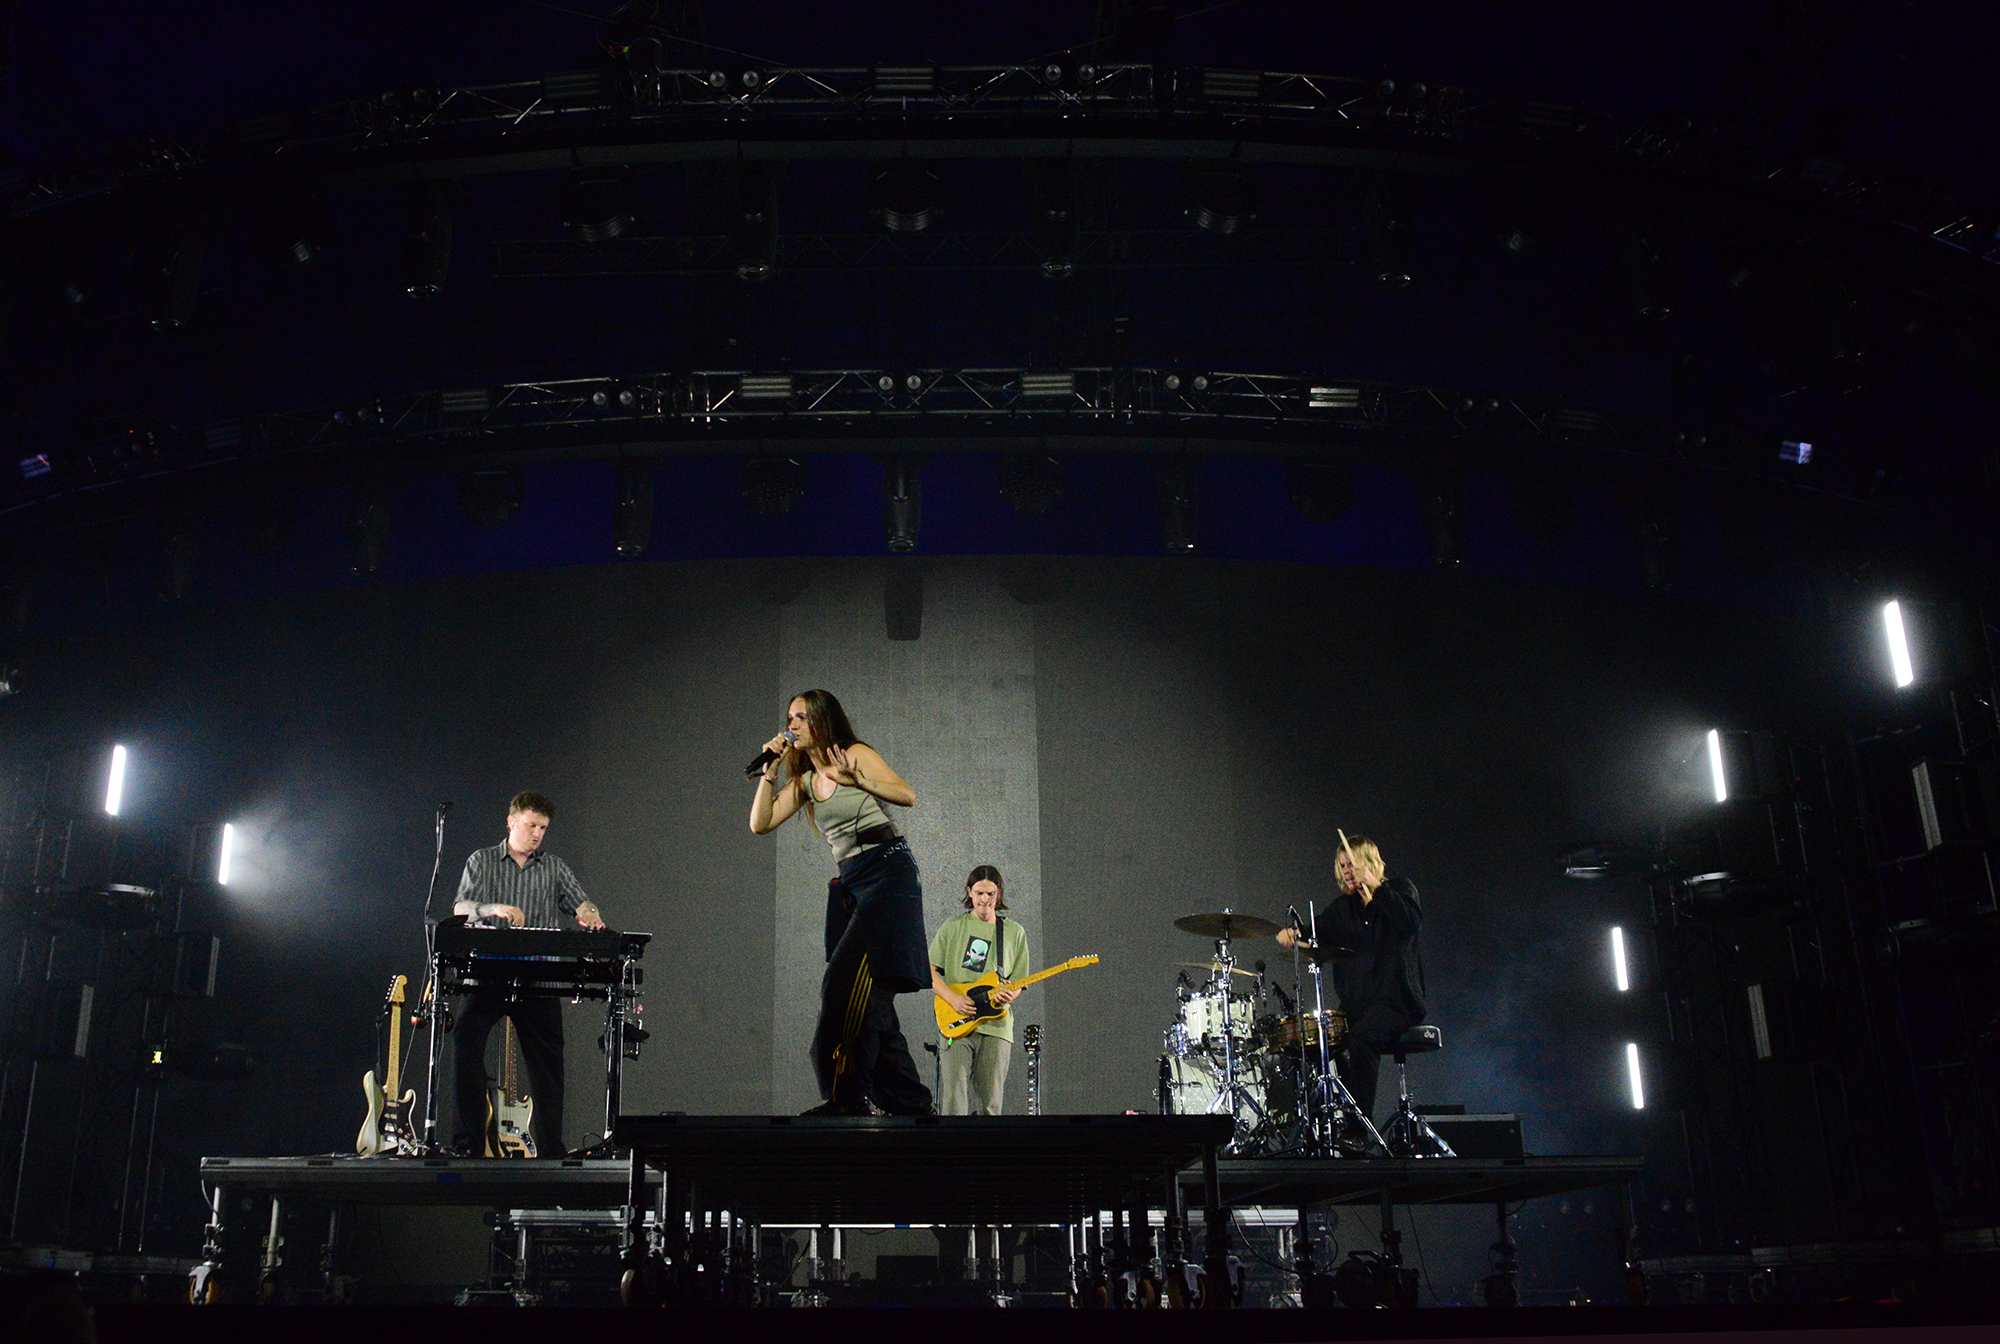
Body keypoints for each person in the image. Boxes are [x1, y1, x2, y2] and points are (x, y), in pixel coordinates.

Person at [749, 690, 933, 1116]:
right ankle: (913, 1106)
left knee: (842, 984)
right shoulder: (805, 782)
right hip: (854, 882)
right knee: (872, 1000)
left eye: (800, 717)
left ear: (821, 720)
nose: (791, 725)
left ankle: (846, 1099)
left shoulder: (855, 754)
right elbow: (760, 824)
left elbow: (907, 795)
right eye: (789, 718)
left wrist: (860, 781)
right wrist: (769, 771)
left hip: (889, 872)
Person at [450, 791, 606, 1158]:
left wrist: (590, 913)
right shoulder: (482, 860)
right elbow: (460, 908)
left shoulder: (554, 867)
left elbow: (580, 902)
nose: (537, 834)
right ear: (511, 822)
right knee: (466, 1045)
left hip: (538, 977)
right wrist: (492, 909)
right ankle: (468, 1143)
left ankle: (551, 1149)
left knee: (548, 1065)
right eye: (531, 825)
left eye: (543, 828)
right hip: (489, 973)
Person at [1275, 835, 1424, 1124]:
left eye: (1351, 864)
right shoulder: (1342, 908)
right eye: (1342, 866)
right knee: (1313, 1041)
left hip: (1397, 1004)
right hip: (1357, 1008)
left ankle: (1358, 1128)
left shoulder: (1400, 890)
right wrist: (1294, 933)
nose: (1346, 871)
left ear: (1369, 863)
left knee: (1362, 1037)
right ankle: (1334, 1118)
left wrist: (1377, 887)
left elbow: (1409, 923)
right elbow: (1313, 930)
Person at [929, 866, 1031, 1116]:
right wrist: (953, 999)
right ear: (969, 892)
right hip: (956, 1022)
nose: (984, 899)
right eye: (979, 893)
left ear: (999, 894)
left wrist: (1011, 994)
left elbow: (1019, 982)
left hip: (996, 1026)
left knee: (990, 1105)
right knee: (953, 1103)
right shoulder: (952, 927)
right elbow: (927, 971)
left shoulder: (1014, 932)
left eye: (990, 894)